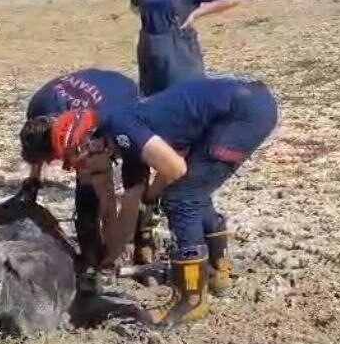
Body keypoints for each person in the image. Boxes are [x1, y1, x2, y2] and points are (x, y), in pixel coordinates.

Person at [28, 75, 278, 326]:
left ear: (90, 143)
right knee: (194, 188)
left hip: (243, 113)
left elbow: (175, 169)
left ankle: (190, 298)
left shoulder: (124, 130)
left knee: (183, 197)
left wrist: (153, 195)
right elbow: (172, 159)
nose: (82, 171)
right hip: (246, 104)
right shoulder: (117, 127)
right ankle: (217, 269)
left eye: (80, 163)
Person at [17, 68, 155, 294]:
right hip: (95, 87)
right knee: (85, 175)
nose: (58, 166)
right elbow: (36, 145)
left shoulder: (93, 128)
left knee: (132, 178)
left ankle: (141, 243)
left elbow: (106, 194)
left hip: (122, 98)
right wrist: (33, 179)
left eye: (56, 158)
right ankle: (91, 251)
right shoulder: (39, 107)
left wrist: (115, 246)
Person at [130, 0, 243, 96]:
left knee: (185, 91)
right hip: (150, 44)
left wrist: (196, 13)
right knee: (153, 95)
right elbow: (135, 5)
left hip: (178, 45)